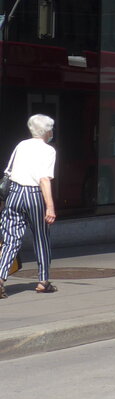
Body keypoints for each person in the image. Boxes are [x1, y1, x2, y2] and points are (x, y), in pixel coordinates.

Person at [0, 114, 58, 296]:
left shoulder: (21, 145)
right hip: (34, 195)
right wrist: (50, 206)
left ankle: (0, 278)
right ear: (47, 131)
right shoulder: (48, 150)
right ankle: (43, 280)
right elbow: (44, 179)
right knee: (41, 237)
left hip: (15, 194)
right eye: (51, 129)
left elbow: (8, 172)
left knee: (10, 239)